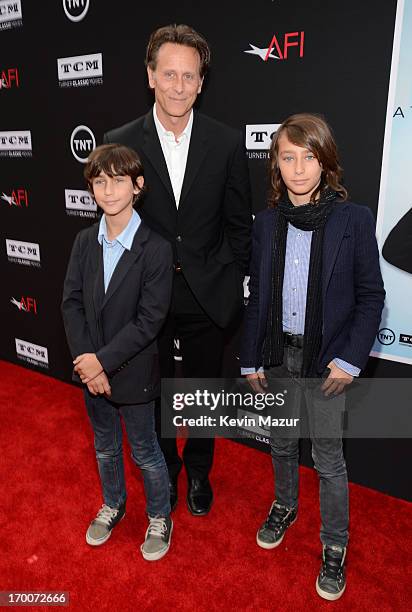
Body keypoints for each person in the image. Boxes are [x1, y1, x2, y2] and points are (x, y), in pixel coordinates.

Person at [104, 24, 252, 516]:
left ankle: (200, 470)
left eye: (189, 76)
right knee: (158, 390)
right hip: (149, 297)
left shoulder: (227, 142)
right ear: (150, 76)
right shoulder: (120, 142)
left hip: (208, 293)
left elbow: (238, 224)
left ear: (201, 82)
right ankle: (166, 464)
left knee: (205, 392)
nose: (178, 86)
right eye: (169, 74)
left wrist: (232, 284)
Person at [240, 114, 385, 600]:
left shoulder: (354, 219)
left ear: (325, 163)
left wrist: (349, 360)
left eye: (309, 157)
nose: (298, 168)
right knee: (281, 445)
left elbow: (371, 297)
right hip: (279, 355)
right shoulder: (266, 224)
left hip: (328, 362)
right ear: (275, 164)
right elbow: (257, 296)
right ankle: (284, 506)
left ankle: (334, 546)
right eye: (288, 157)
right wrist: (249, 357)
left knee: (328, 460)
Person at [61, 144, 174, 561]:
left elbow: (150, 320)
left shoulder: (156, 249)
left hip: (132, 371)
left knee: (145, 451)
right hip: (91, 371)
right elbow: (70, 303)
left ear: (137, 186)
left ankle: (160, 516)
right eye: (100, 182)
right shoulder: (83, 242)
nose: (108, 191)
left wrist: (101, 361)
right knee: (105, 446)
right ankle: (114, 503)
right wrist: (88, 364)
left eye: (118, 181)